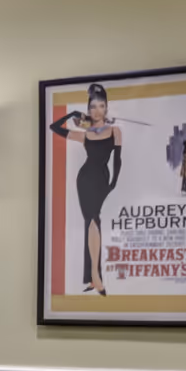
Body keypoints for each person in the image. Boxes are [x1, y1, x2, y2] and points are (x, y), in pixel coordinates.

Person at [49, 83, 123, 294]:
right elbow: (54, 128)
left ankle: (93, 277)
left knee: (94, 222)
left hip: (102, 179)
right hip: (84, 180)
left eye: (101, 106)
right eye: (93, 106)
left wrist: (114, 183)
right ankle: (95, 278)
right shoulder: (85, 134)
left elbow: (118, 160)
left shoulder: (115, 131)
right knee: (91, 222)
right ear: (88, 110)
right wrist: (71, 113)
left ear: (106, 108)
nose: (97, 110)